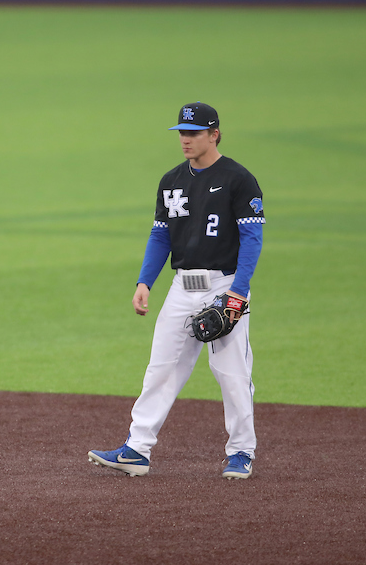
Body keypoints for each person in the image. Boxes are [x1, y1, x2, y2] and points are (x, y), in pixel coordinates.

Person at [88, 101, 265, 479]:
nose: (185, 139)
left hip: (224, 286)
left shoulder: (239, 179)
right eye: (182, 132)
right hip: (181, 288)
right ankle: (137, 449)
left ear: (214, 134)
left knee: (232, 373)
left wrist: (238, 292)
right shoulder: (171, 180)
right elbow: (161, 235)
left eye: (194, 133)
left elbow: (252, 238)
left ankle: (241, 452)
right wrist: (144, 282)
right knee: (161, 369)